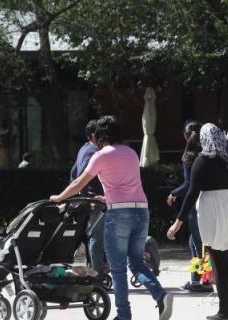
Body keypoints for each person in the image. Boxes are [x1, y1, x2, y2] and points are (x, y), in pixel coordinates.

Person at [50, 115, 173, 320]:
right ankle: (161, 295)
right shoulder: (131, 153)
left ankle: (123, 315)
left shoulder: (101, 155)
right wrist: (106, 197)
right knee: (137, 263)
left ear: (99, 136)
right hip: (141, 211)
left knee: (117, 269)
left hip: (119, 214)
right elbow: (127, 185)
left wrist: (59, 197)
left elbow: (79, 182)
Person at [166, 123, 228, 320]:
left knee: (219, 260)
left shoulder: (202, 160)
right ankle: (227, 308)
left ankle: (226, 311)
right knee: (224, 260)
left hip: (214, 213)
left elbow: (191, 193)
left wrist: (177, 222)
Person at [166, 120, 213, 293]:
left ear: (185, 136)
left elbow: (188, 184)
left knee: (198, 244)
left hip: (196, 205)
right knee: (197, 243)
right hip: (210, 202)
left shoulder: (190, 155)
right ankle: (199, 280)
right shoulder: (209, 153)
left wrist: (174, 193)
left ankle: (202, 282)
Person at [70, 119, 108, 285]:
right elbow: (81, 176)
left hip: (90, 200)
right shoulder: (93, 152)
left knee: (93, 238)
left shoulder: (84, 148)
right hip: (95, 201)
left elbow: (73, 173)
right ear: (94, 135)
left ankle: (95, 271)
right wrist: (87, 195)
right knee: (96, 239)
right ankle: (97, 276)